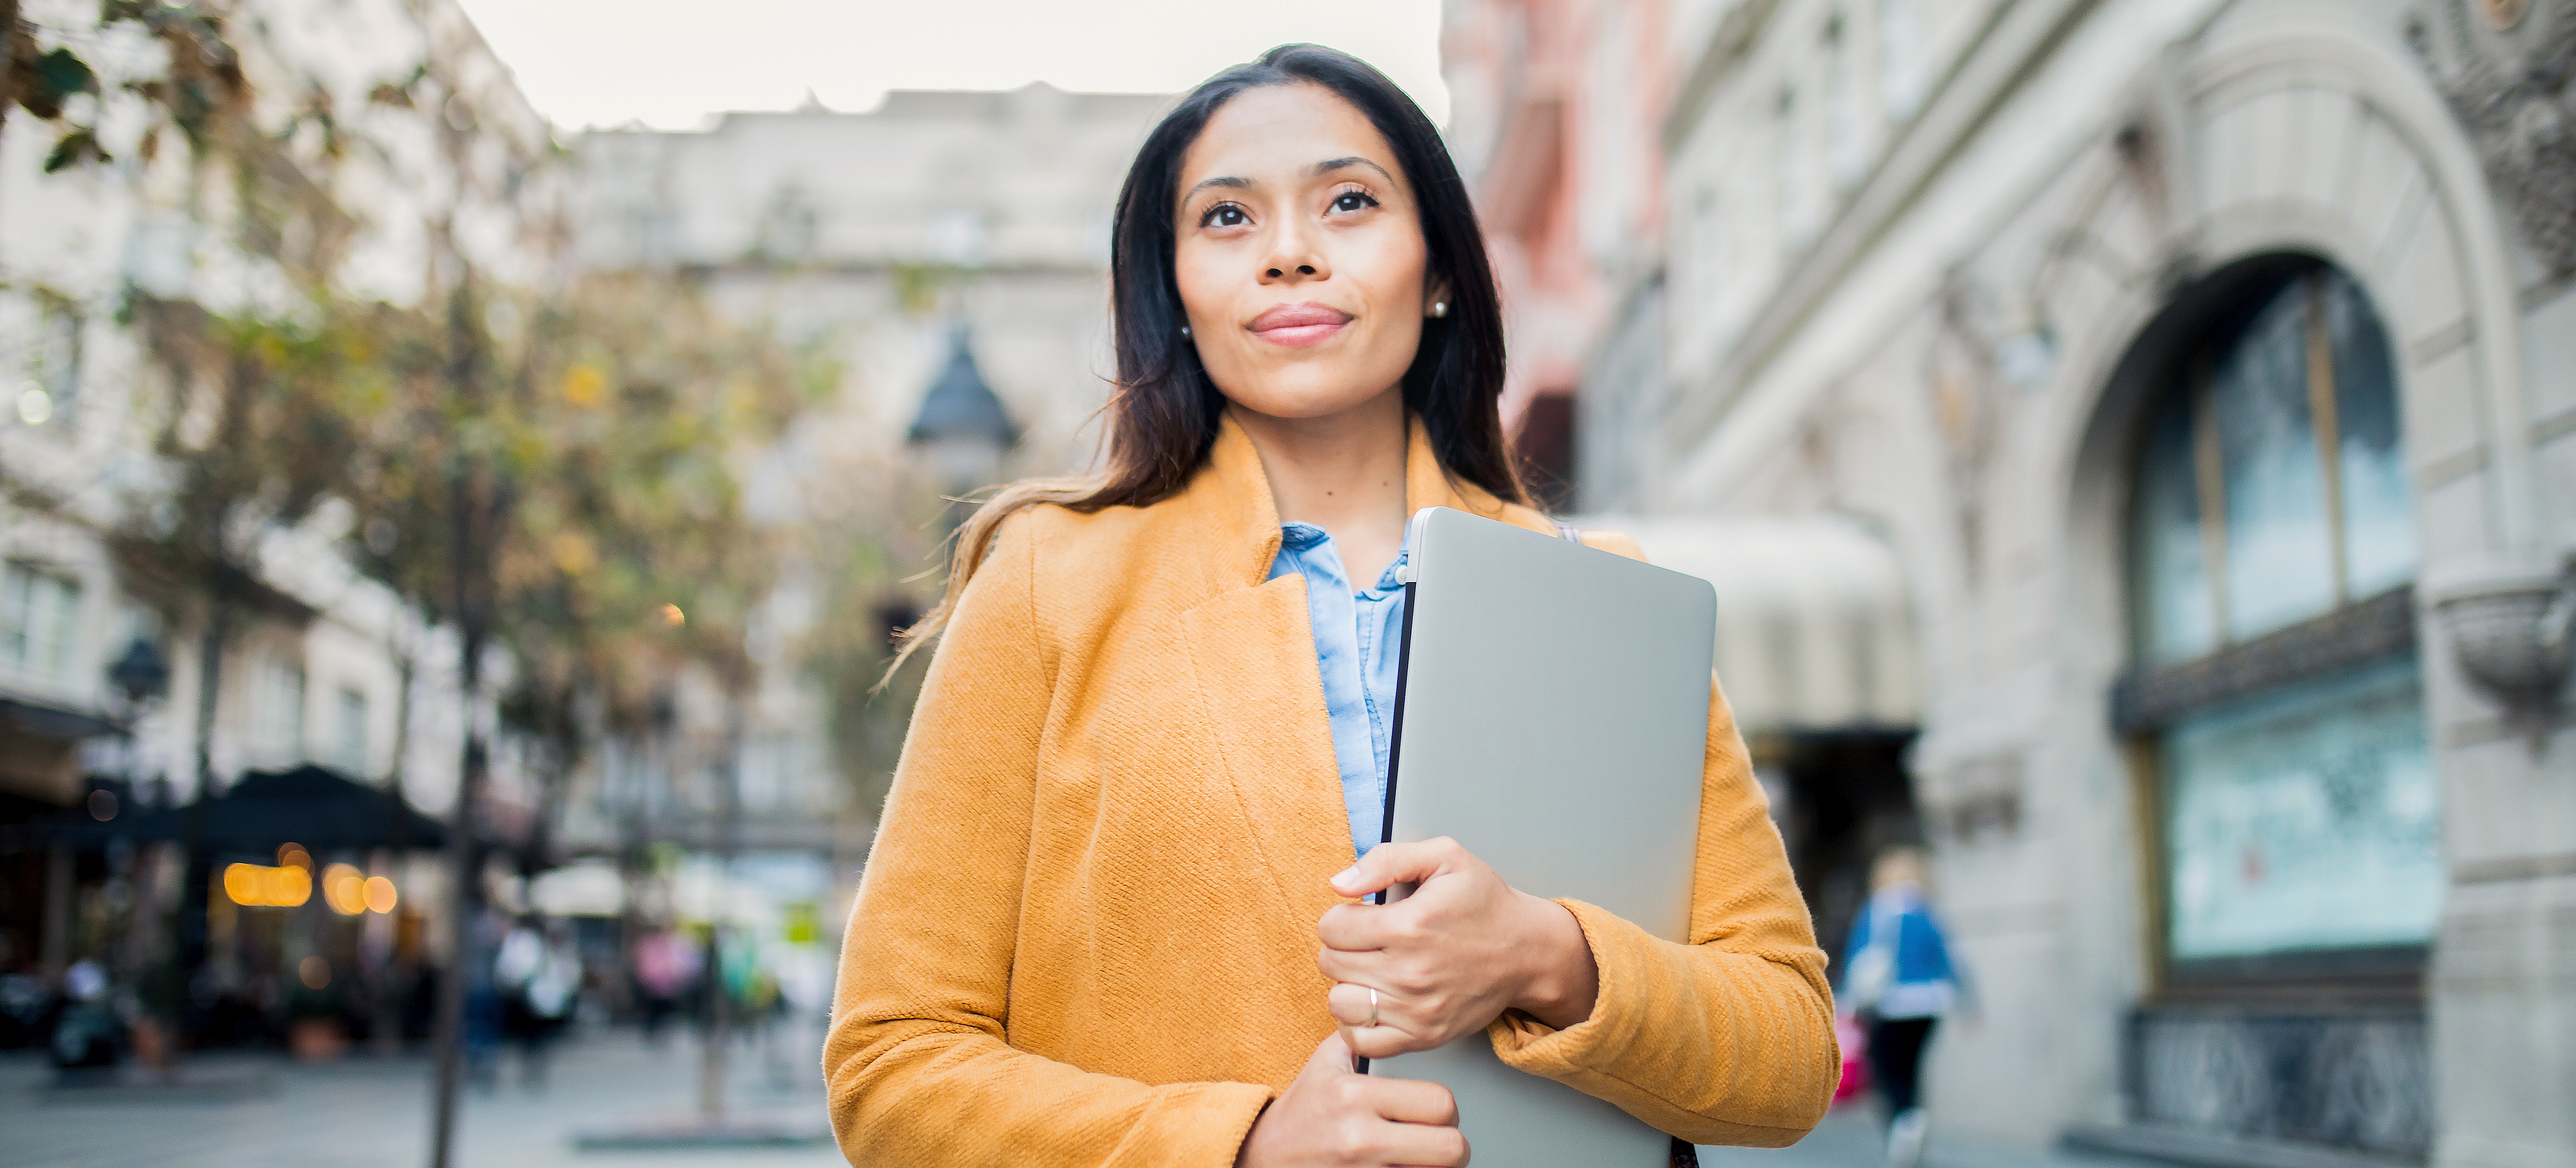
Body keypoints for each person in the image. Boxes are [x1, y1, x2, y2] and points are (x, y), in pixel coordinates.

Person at [823, 44, 1837, 1168]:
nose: (1290, 254)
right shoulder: (1045, 581)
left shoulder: (1599, 600)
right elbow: (891, 1067)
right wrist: (1239, 1145)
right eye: (1225, 220)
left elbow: (1789, 1056)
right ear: (1176, 290)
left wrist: (1545, 956)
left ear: (1439, 266)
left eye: (1347, 202)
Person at [1837, 847, 1968, 1168]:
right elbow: (1950, 959)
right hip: (1930, 1005)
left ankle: (1901, 1123)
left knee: (1887, 1070)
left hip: (1890, 1006)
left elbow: (1858, 959)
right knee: (1913, 1069)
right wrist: (1967, 1002)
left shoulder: (1876, 911)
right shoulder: (1926, 912)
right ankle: (1913, 1119)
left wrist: (1846, 1001)